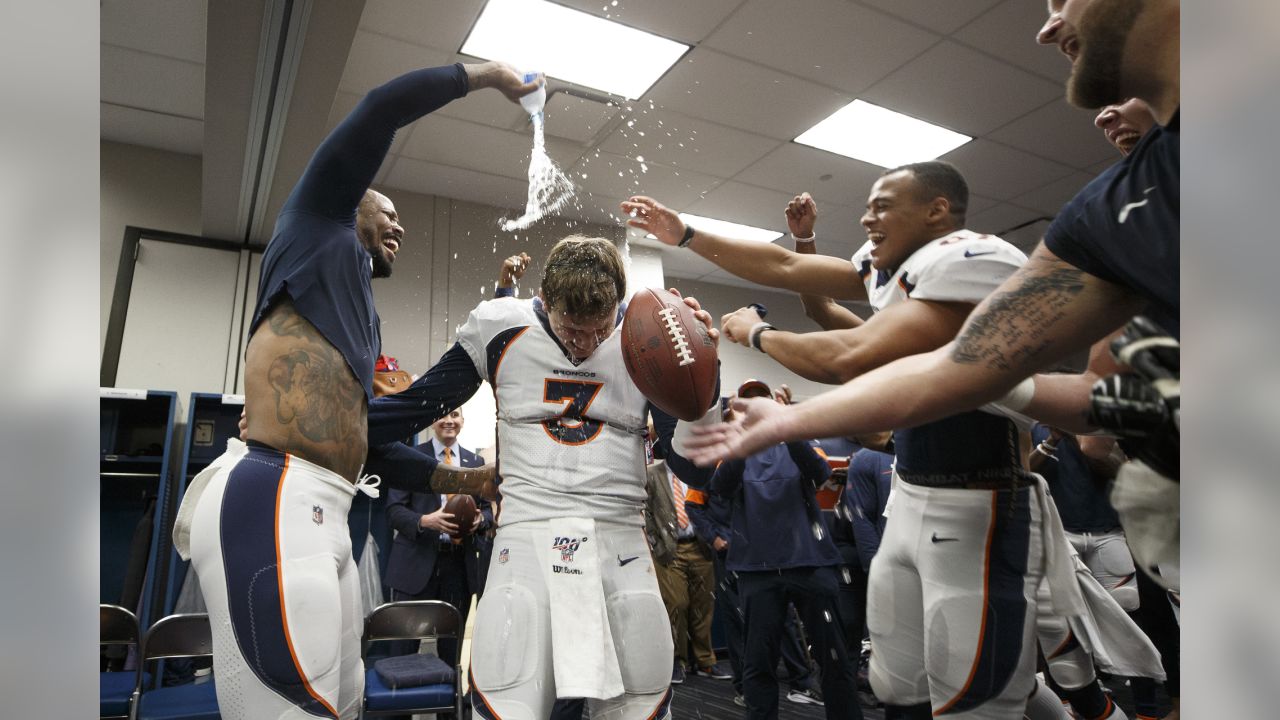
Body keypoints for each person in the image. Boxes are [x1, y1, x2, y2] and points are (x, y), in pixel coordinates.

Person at [680, 0, 1179, 591]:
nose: (1046, 28)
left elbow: (861, 354)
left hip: (982, 483)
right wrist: (787, 421)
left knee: (1007, 663)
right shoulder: (1113, 205)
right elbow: (971, 369)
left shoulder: (977, 256)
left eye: (1062, 1)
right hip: (923, 479)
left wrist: (759, 337)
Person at [626, 161, 1062, 718]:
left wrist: (755, 333)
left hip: (980, 496)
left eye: (883, 205)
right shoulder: (903, 268)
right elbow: (788, 269)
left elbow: (848, 357)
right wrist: (685, 233)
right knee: (900, 680)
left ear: (937, 211)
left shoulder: (977, 258)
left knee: (979, 689)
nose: (866, 216)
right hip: (914, 491)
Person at [171, 61, 539, 719]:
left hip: (325, 504)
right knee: (294, 709)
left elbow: (370, 444)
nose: (399, 227)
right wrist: (483, 76)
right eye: (388, 213)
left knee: (342, 705)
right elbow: (378, 106)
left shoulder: (361, 324)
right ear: (353, 202)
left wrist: (475, 483)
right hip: (274, 489)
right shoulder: (317, 222)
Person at [364, 235, 719, 720]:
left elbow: (695, 468)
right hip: (525, 542)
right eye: (572, 329)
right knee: (507, 699)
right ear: (544, 300)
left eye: (600, 329)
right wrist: (312, 424)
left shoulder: (642, 335)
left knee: (640, 703)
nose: (586, 343)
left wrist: (703, 383)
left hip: (621, 544)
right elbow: (399, 416)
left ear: (618, 306)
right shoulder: (500, 328)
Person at [709, 378, 860, 720]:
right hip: (758, 571)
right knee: (758, 665)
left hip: (810, 564)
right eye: (750, 404)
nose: (758, 410)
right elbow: (720, 487)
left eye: (763, 402)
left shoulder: (799, 440)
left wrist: (784, 425)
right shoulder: (735, 451)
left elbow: (820, 472)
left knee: (834, 659)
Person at [383, 408, 490, 663]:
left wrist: (480, 520)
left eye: (455, 415)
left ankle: (450, 701)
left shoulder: (475, 464)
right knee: (403, 651)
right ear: (433, 421)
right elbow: (394, 510)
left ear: (463, 421)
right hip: (414, 566)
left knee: (450, 654)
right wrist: (425, 521)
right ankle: (401, 701)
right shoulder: (410, 458)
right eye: (443, 415)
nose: (449, 421)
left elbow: (487, 509)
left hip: (458, 569)